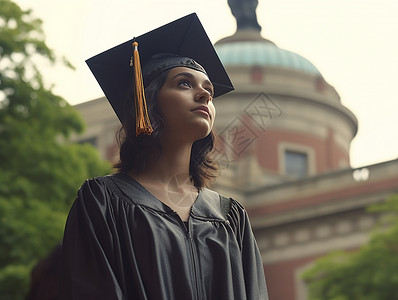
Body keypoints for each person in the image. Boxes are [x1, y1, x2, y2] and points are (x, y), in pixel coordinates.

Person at [58, 13, 268, 300]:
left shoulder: (230, 217)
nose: (204, 95)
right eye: (184, 83)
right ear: (148, 101)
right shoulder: (103, 202)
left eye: (208, 89)